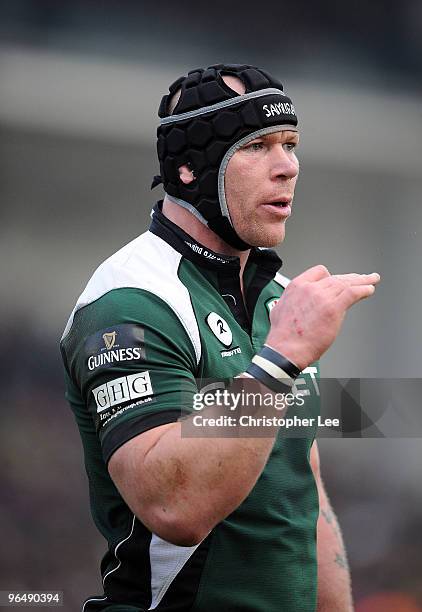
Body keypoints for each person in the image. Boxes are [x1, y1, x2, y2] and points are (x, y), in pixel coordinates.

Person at [60, 63, 380, 611]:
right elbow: (175, 509)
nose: (288, 167)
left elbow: (302, 490)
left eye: (291, 144)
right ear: (189, 169)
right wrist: (281, 361)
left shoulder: (280, 298)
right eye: (258, 146)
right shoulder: (130, 300)